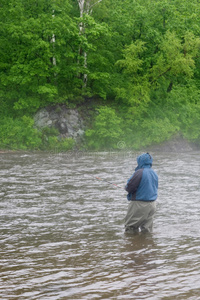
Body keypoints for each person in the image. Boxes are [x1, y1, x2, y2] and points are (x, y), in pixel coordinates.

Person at [124, 153, 158, 233]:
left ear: (140, 161)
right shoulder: (154, 173)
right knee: (147, 230)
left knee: (130, 228)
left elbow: (130, 187)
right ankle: (146, 244)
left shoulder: (139, 172)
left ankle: (132, 245)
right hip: (152, 204)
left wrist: (126, 187)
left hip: (139, 204)